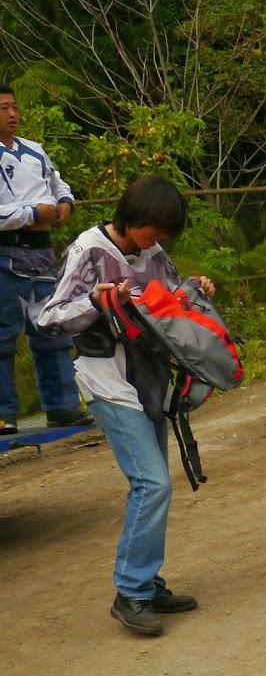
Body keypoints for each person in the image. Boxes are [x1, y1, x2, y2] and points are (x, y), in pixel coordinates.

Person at [35, 175, 215, 636]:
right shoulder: (89, 249)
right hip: (108, 381)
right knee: (152, 484)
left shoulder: (153, 253)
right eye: (153, 232)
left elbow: (170, 301)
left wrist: (195, 289)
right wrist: (96, 302)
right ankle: (131, 591)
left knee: (154, 487)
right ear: (133, 218)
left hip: (148, 382)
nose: (157, 242)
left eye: (162, 236)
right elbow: (50, 317)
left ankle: (147, 585)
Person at [0, 82, 90, 434]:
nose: (12, 114)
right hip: (4, 253)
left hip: (42, 253)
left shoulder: (34, 151)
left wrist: (65, 203)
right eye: (4, 108)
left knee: (53, 329)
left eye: (14, 107)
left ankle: (62, 406)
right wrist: (31, 213)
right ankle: (4, 413)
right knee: (3, 337)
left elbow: (59, 184)